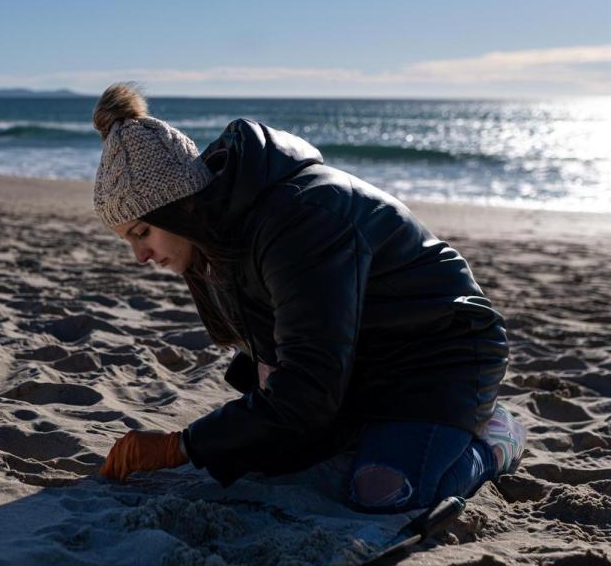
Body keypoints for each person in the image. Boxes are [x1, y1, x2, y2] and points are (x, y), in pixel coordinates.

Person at [92, 83, 526, 514]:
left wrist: (180, 446)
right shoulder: (223, 234)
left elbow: (308, 388)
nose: (141, 257)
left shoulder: (301, 221)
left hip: (439, 354)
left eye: (141, 233)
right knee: (267, 460)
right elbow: (287, 374)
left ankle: (494, 440)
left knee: (383, 491)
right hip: (357, 361)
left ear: (179, 205)